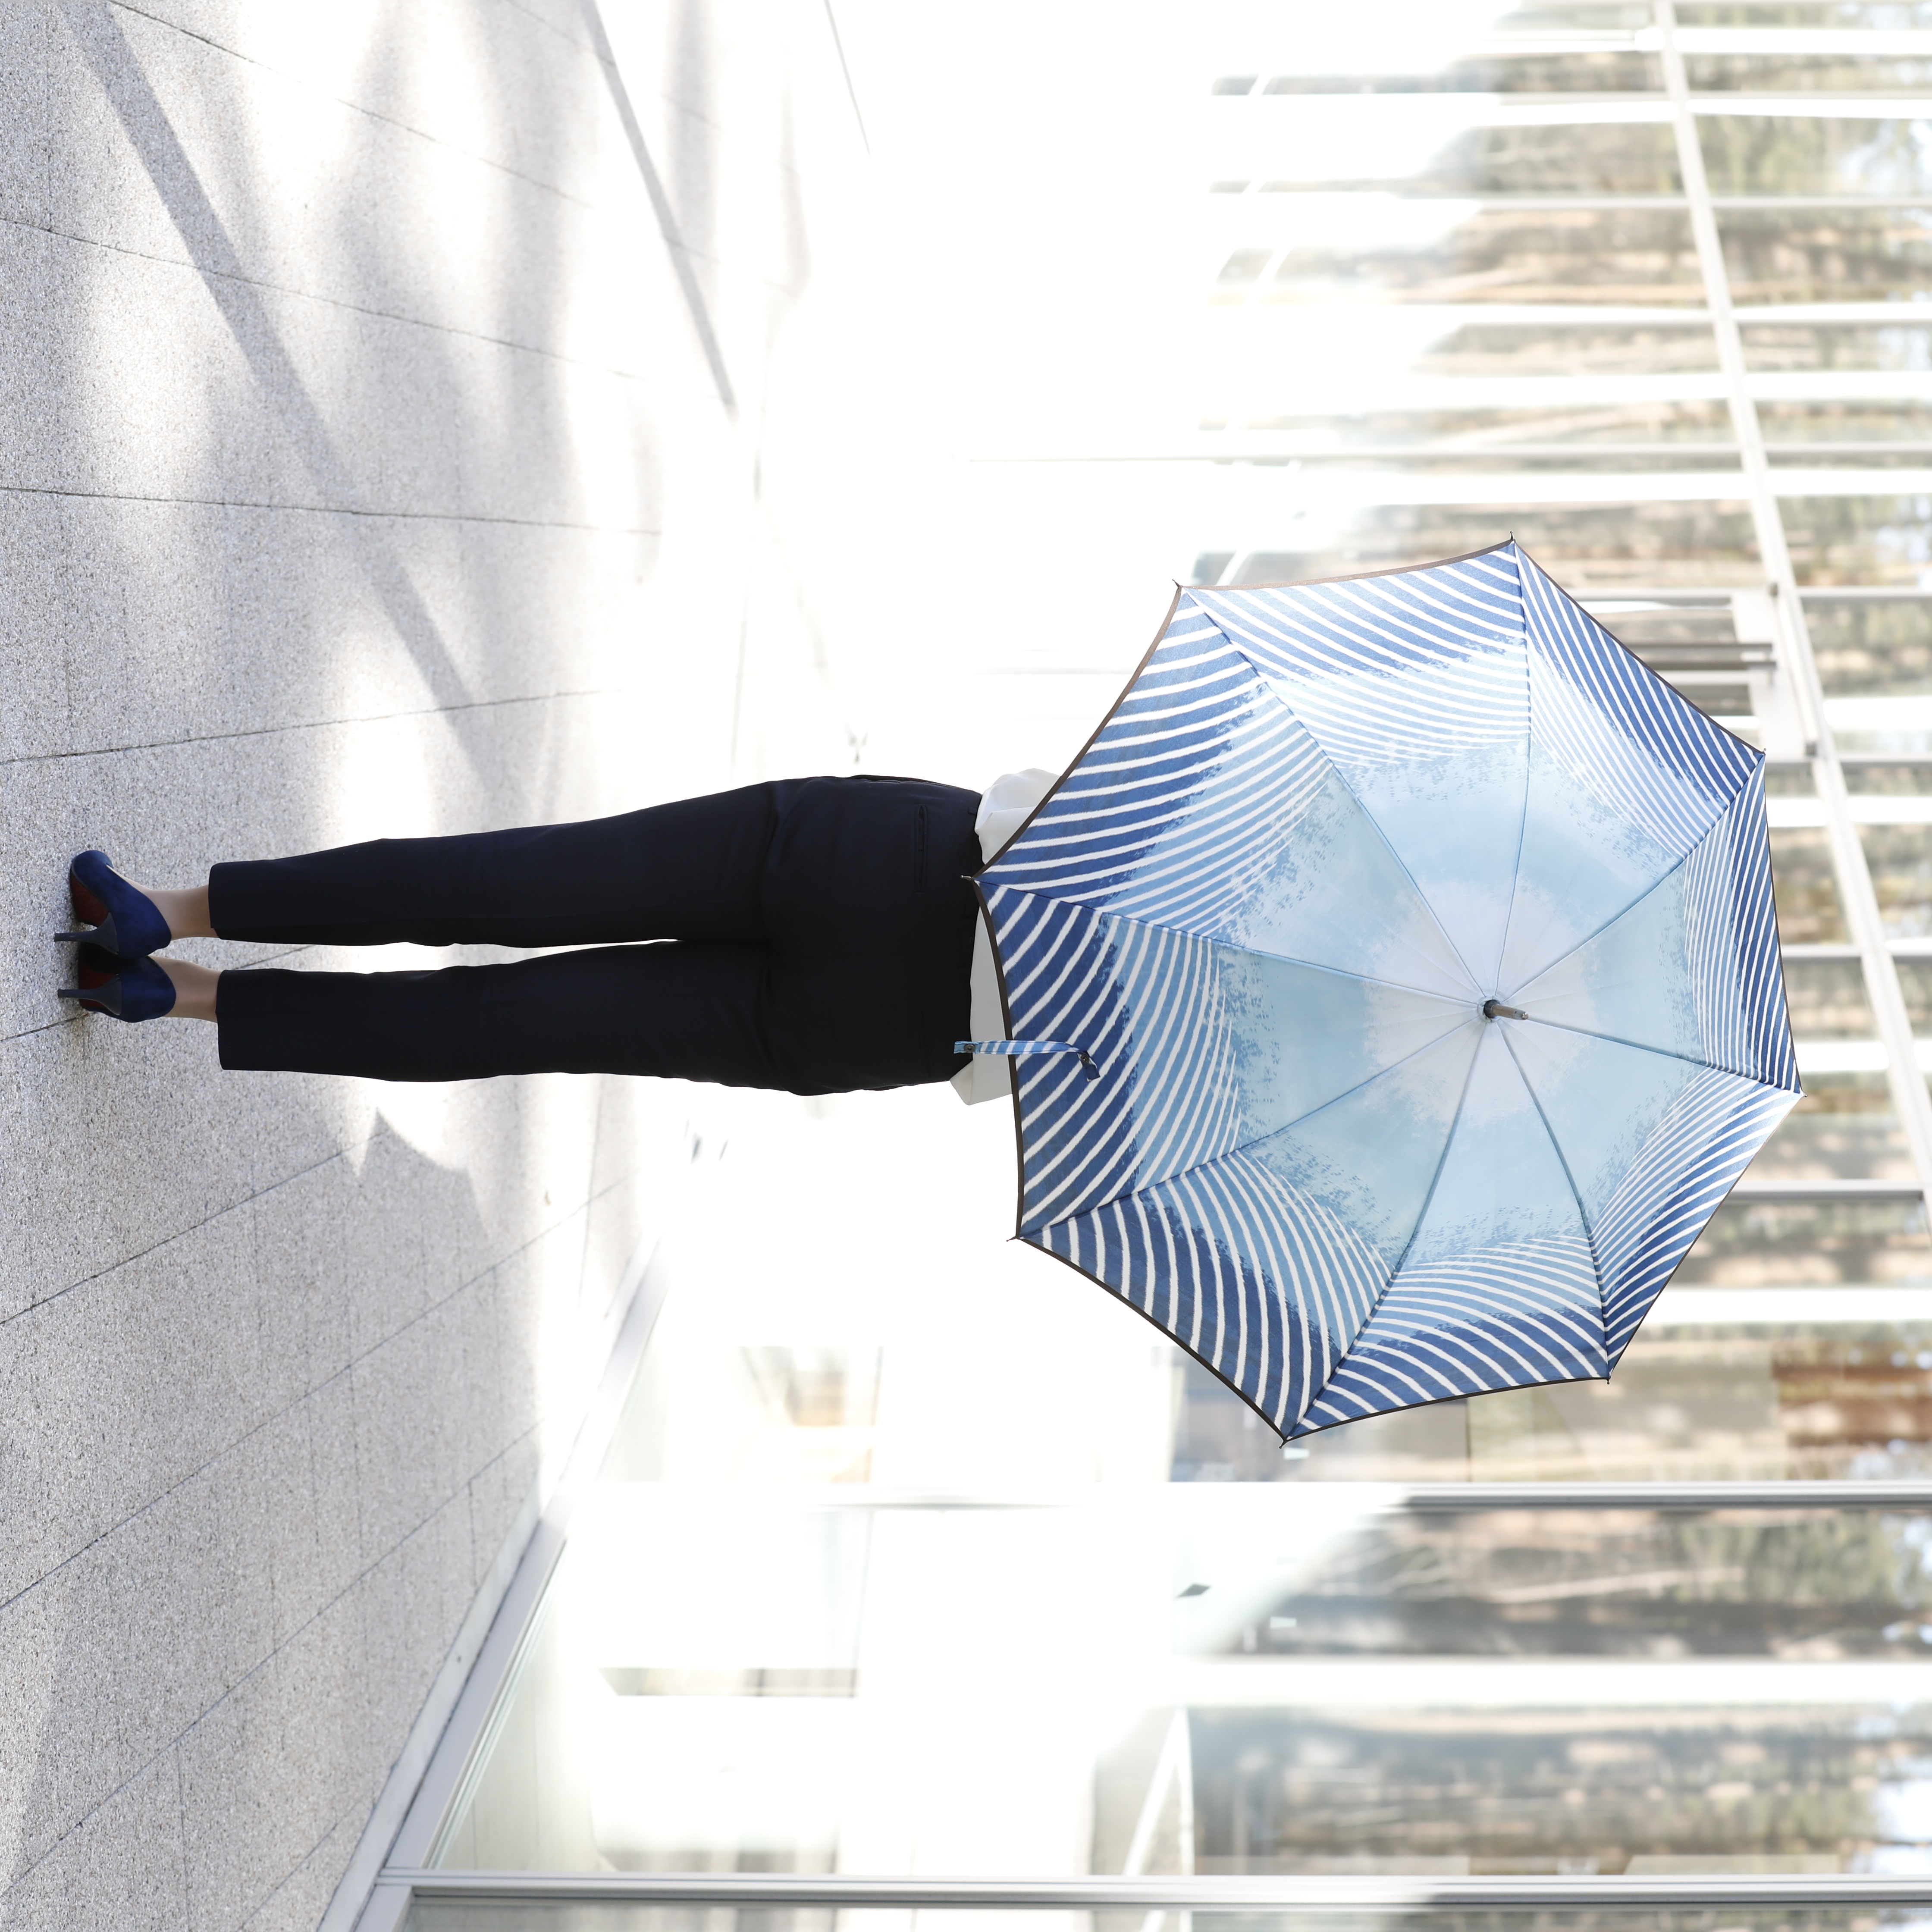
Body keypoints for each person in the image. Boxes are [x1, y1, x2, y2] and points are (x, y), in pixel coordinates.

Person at [57, 771, 1055, 1104]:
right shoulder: (1200, 1086)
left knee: (512, 882)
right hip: (907, 1029)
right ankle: (177, 994)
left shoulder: (1215, 819)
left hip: (903, 861)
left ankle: (168, 912)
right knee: (514, 1025)